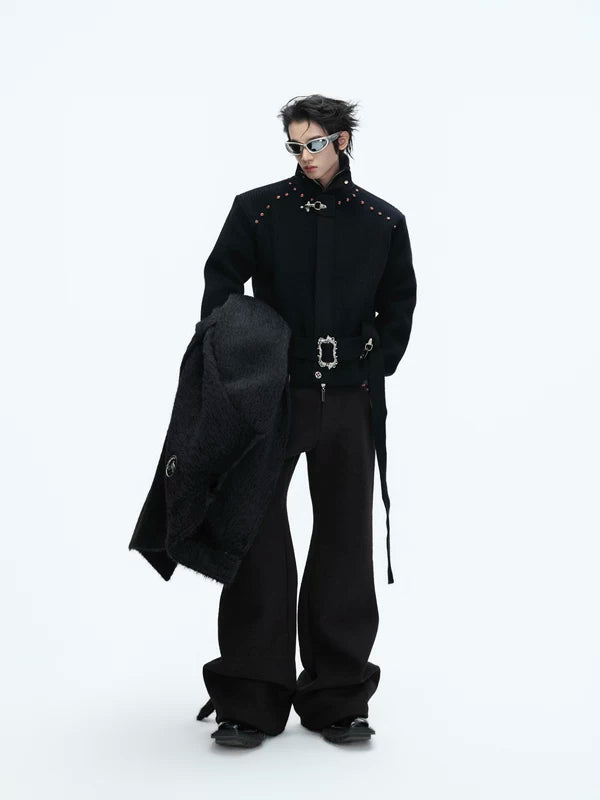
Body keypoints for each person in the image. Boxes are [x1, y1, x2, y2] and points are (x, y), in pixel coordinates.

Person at [197, 94, 417, 747]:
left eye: (314, 143)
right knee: (255, 537)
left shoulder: (382, 220)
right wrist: (241, 358)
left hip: (349, 399)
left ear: (342, 140)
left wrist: (372, 361)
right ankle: (249, 697)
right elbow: (220, 285)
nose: (304, 156)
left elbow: (399, 304)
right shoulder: (257, 210)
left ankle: (338, 697)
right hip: (272, 396)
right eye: (294, 145)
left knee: (345, 540)